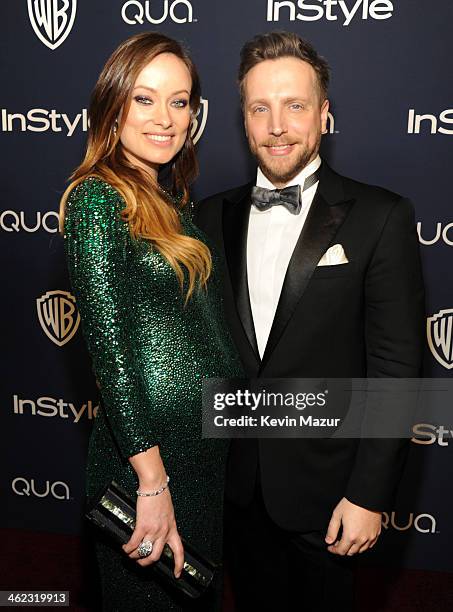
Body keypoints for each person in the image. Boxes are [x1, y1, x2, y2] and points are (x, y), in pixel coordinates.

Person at [195, 31, 425, 611]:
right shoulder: (207, 217)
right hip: (236, 487)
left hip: (331, 497)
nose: (277, 125)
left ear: (323, 114)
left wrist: (368, 495)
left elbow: (397, 369)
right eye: (260, 108)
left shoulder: (380, 215)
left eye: (294, 105)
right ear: (243, 120)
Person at [59, 32, 243, 611]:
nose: (166, 118)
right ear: (113, 109)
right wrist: (153, 483)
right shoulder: (98, 199)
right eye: (145, 99)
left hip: (200, 456)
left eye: (181, 101)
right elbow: (111, 356)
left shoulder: (171, 199)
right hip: (150, 465)